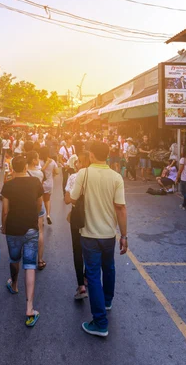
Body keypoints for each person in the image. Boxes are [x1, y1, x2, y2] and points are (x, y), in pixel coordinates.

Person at [70, 142, 127, 337]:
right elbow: (121, 208)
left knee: (93, 276)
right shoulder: (116, 177)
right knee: (109, 267)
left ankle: (100, 322)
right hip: (109, 234)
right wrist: (124, 235)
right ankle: (107, 301)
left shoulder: (83, 173)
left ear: (92, 155)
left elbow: (73, 197)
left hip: (89, 234)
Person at [0, 155, 44, 327]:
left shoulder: (8, 185)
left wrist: (4, 227)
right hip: (31, 228)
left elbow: (5, 211)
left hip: (13, 228)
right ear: (26, 166)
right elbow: (39, 205)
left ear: (12, 168)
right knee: (30, 265)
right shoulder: (35, 182)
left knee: (14, 259)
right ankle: (29, 308)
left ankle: (15, 284)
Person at [64, 150, 91, 300]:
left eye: (79, 161)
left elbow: (68, 199)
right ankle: (87, 276)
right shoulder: (95, 177)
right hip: (92, 216)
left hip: (77, 216)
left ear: (83, 163)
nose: (76, 164)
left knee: (77, 249)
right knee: (90, 247)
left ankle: (81, 285)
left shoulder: (74, 177)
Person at [26, 151, 47, 270]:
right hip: (38, 203)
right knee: (40, 231)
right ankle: (39, 260)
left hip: (25, 205)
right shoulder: (39, 174)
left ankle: (27, 257)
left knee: (26, 230)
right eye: (37, 158)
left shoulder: (23, 173)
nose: (38, 160)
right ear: (34, 160)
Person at [39, 147, 59, 225]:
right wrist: (52, 175)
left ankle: (41, 218)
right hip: (49, 183)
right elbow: (57, 172)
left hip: (41, 183)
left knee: (40, 201)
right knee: (47, 200)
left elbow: (40, 170)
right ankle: (48, 215)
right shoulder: (52, 161)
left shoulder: (39, 162)